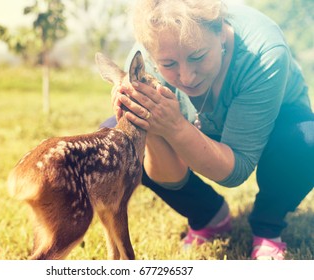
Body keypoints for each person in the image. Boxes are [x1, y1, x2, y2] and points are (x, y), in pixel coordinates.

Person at [100, 0, 314, 260]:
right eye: (168, 64)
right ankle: (208, 215)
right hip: (197, 126)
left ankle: (268, 224)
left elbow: (236, 170)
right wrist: (150, 125)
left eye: (197, 56)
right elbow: (172, 178)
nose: (187, 77)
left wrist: (176, 127)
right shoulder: (142, 61)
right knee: (118, 142)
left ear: (221, 32)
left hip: (276, 125)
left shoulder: (265, 52)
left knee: (307, 141)